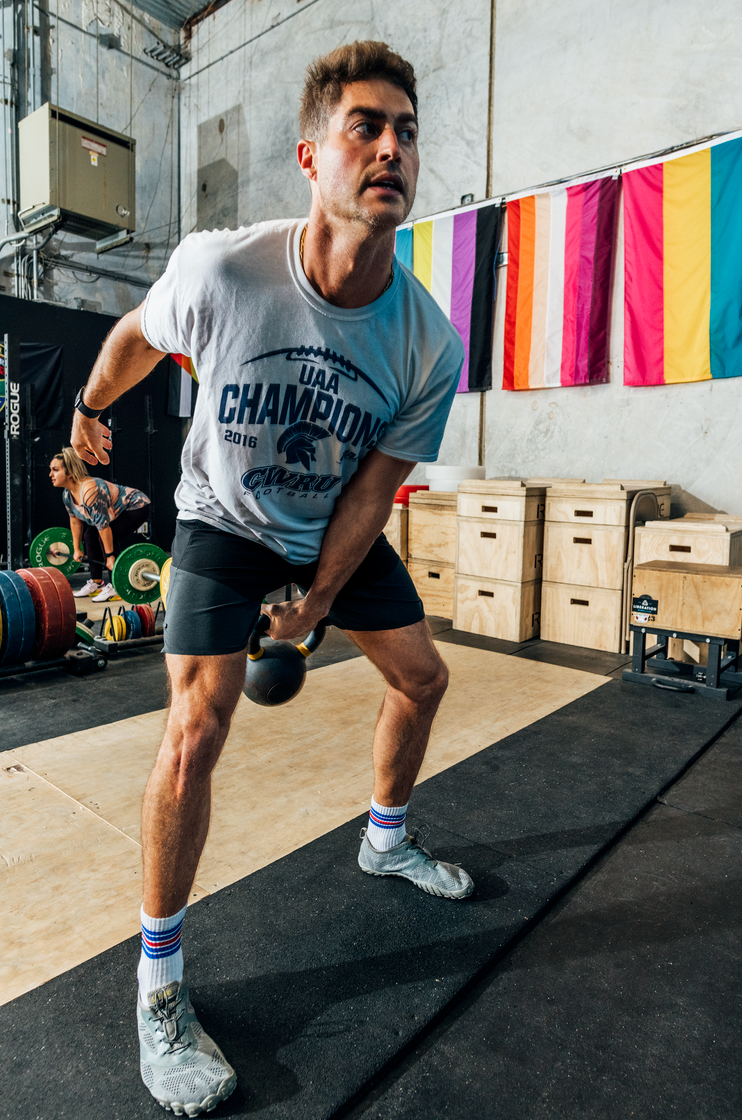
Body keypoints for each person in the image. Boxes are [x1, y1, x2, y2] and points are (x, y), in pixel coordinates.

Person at [71, 40, 472, 1116]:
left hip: (326, 522)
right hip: (222, 517)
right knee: (197, 728)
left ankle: (384, 839)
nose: (393, 147)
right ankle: (159, 985)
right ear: (311, 154)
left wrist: (316, 604)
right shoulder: (222, 269)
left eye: (407, 131)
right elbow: (130, 341)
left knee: (422, 679)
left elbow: (376, 487)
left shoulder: (428, 340)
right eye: (366, 126)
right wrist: (86, 411)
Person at [49, 447, 151, 600]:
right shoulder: (67, 495)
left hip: (136, 505)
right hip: (115, 512)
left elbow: (104, 527)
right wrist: (77, 548)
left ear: (69, 471)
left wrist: (110, 557)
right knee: (89, 535)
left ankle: (115, 586)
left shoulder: (90, 491)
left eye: (55, 470)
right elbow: (75, 521)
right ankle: (97, 583)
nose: (51, 474)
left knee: (108, 537)